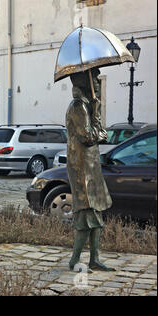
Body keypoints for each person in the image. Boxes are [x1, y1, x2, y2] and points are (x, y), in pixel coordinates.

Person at [66, 67, 115, 272]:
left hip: (91, 165)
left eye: (96, 77)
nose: (96, 81)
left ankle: (94, 258)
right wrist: (96, 117)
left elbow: (98, 135)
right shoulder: (79, 107)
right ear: (83, 82)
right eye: (92, 78)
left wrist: (96, 112)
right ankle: (74, 260)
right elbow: (89, 137)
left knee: (97, 213)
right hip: (82, 168)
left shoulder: (87, 106)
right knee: (86, 216)